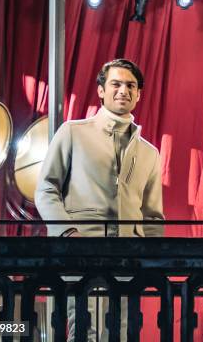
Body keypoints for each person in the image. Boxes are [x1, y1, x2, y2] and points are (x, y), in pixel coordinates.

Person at [35, 58, 164, 341]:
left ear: (139, 94)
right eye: (116, 84)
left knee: (122, 333)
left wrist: (150, 260)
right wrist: (68, 233)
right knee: (82, 332)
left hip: (129, 260)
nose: (123, 90)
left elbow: (153, 216)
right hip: (80, 252)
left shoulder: (150, 153)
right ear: (101, 90)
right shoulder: (72, 131)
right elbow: (46, 189)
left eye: (131, 85)